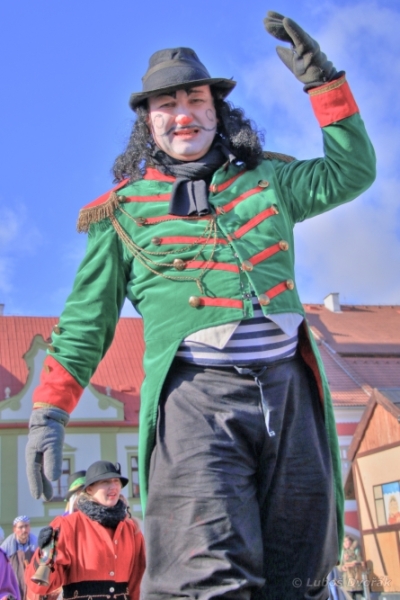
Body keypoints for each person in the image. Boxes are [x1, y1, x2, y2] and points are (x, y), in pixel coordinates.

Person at [25, 10, 376, 600]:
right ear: (148, 121)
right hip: (196, 403)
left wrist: (324, 83)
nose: (182, 113)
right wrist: (48, 412)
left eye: (195, 99)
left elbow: (352, 171)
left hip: (289, 392)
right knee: (206, 579)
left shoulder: (270, 180)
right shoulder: (119, 213)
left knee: (301, 576)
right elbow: (87, 321)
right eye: (166, 104)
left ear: (218, 111)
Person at [25, 461, 145, 600]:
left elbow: (138, 583)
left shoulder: (131, 529)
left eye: (116, 481)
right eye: (105, 482)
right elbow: (39, 586)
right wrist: (44, 554)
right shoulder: (67, 526)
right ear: (89, 489)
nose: (113, 486)